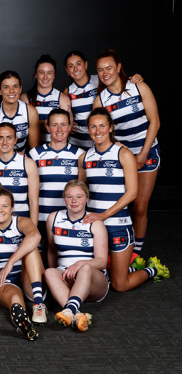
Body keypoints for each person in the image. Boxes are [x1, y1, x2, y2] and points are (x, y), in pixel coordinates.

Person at [78, 108, 168, 292]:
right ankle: (129, 266)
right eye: (93, 127)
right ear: (88, 130)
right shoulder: (85, 157)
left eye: (102, 126)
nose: (98, 131)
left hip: (118, 225)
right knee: (96, 278)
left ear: (111, 127)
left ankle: (152, 269)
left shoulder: (124, 154)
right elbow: (80, 191)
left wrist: (104, 215)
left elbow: (132, 193)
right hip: (95, 226)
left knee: (120, 285)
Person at [93, 49, 160, 258]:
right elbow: (102, 132)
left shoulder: (138, 86)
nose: (105, 73)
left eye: (109, 68)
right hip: (123, 157)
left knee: (140, 206)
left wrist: (142, 153)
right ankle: (120, 250)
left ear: (119, 67)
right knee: (122, 205)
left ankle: (136, 255)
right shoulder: (101, 101)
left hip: (146, 151)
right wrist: (122, 152)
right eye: (101, 70)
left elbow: (155, 122)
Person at [0, 182, 43, 340]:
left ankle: (38, 303)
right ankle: (24, 323)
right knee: (14, 300)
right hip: (2, 277)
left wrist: (11, 262)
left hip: (28, 274)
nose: (0, 210)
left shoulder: (21, 221)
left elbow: (35, 236)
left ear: (12, 208)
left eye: (5, 206)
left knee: (31, 248)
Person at [45, 180, 109, 332]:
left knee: (85, 268)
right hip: (67, 276)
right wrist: (55, 275)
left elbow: (102, 262)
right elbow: (51, 250)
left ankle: (69, 310)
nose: (74, 201)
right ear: (64, 198)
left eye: (79, 196)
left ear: (87, 199)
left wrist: (80, 264)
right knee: (49, 272)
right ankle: (75, 314)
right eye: (69, 196)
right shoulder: (54, 218)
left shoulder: (95, 223)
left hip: (94, 280)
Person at [28, 109, 84, 259]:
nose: (59, 129)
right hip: (39, 218)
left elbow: (83, 190)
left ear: (69, 126)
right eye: (55, 125)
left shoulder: (80, 154)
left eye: (63, 125)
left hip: (65, 220)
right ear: (47, 127)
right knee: (38, 264)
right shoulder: (34, 154)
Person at [63, 50, 143, 150]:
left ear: (86, 64)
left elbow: (119, 84)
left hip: (103, 139)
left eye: (79, 64)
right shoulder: (68, 92)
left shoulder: (101, 79)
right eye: (70, 66)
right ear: (67, 70)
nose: (75, 69)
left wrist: (136, 78)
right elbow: (64, 117)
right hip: (79, 143)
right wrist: (67, 125)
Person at [0, 123, 40, 225]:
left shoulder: (28, 163)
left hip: (21, 223)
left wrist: (33, 229)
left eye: (9, 138)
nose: (5, 142)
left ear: (15, 140)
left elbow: (33, 202)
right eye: (0, 138)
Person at [0, 70, 40, 153]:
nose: (11, 91)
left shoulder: (30, 112)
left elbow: (34, 149)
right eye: (6, 87)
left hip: (22, 161)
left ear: (20, 89)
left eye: (15, 86)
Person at [21, 54, 72, 144]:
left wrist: (35, 123)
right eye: (41, 72)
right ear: (36, 75)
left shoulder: (63, 99)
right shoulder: (25, 98)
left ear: (54, 75)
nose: (45, 77)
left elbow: (67, 127)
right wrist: (53, 123)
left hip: (55, 149)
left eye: (49, 73)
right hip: (31, 149)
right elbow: (21, 127)